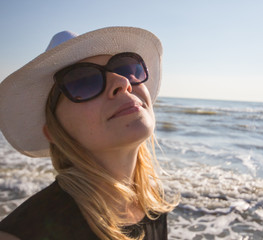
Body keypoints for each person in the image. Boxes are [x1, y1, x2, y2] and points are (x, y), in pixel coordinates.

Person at [0, 27, 177, 240]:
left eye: (126, 68)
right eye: (84, 81)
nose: (123, 82)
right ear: (54, 132)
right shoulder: (20, 234)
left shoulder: (154, 203)